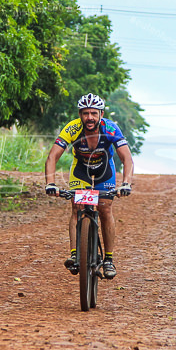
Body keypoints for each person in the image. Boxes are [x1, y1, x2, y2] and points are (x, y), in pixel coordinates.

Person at [44, 93, 134, 279]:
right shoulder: (72, 128)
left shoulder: (111, 128)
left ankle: (108, 259)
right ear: (80, 114)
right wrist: (50, 184)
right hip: (81, 170)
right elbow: (53, 156)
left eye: (94, 113)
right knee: (77, 208)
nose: (90, 117)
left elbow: (127, 159)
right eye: (85, 113)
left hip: (104, 170)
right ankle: (75, 254)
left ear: (101, 114)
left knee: (105, 208)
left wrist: (126, 183)